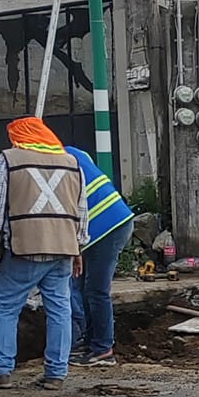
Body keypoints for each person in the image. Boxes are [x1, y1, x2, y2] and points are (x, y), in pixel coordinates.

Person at [0, 116, 88, 389]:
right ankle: (56, 374)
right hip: (62, 248)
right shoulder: (72, 163)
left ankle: (1, 370)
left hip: (24, 247)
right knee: (60, 309)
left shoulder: (7, 160)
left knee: (6, 306)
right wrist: (78, 247)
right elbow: (81, 209)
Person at [66, 145, 134, 366]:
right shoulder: (75, 152)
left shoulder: (55, 163)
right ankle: (90, 341)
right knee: (85, 286)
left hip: (107, 227)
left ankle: (103, 349)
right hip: (110, 223)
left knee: (96, 289)